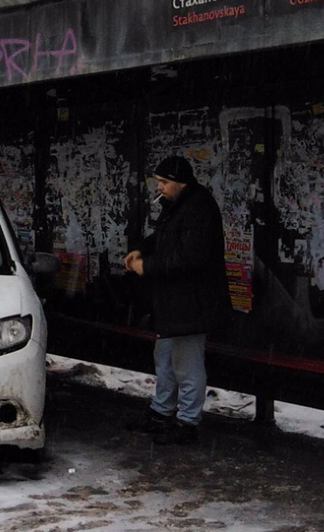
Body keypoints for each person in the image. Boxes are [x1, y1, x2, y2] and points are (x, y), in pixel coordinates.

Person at [124, 155, 231, 445]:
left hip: (192, 302)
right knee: (165, 357)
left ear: (181, 182)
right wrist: (141, 250)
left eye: (164, 182)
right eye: (158, 181)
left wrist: (150, 266)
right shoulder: (177, 204)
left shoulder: (199, 208)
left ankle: (187, 423)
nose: (159, 187)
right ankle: (161, 413)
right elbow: (163, 239)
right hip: (174, 302)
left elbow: (191, 257)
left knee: (187, 363)